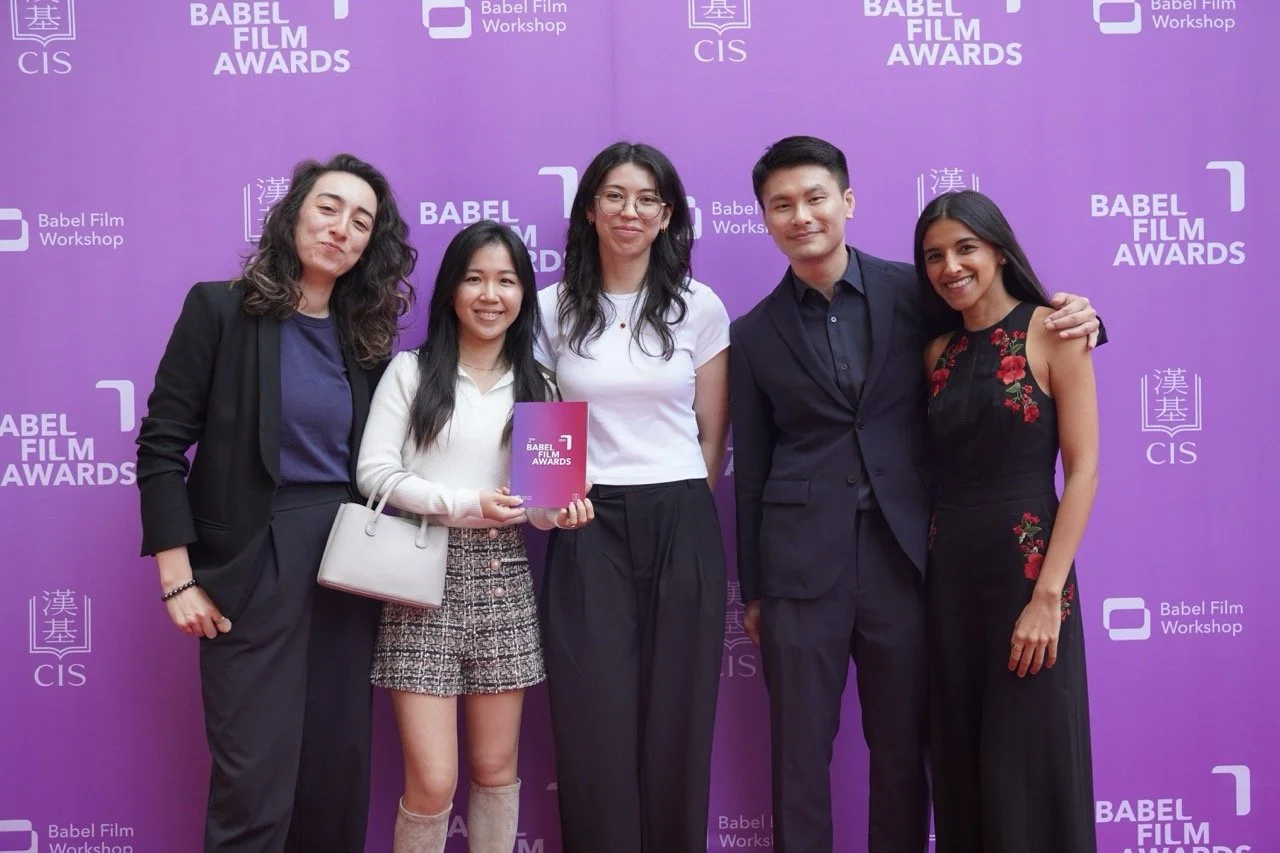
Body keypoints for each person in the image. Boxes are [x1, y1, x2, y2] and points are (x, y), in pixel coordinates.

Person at [728, 136, 1103, 853]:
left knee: (904, 751)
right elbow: (752, 469)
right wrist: (755, 589)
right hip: (800, 565)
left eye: (815, 197)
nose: (801, 215)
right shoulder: (750, 334)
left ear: (846, 201)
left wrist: (1086, 317)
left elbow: (998, 329)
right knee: (798, 757)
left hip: (905, 559)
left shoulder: (916, 290)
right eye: (782, 204)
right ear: (765, 218)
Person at [136, 153, 417, 853]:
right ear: (293, 213)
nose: (341, 229)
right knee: (253, 781)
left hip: (348, 566)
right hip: (250, 565)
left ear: (369, 247)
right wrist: (177, 576)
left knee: (334, 774)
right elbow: (162, 446)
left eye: (361, 222)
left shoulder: (367, 341)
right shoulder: (219, 309)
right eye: (329, 208)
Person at [355, 220, 593, 853]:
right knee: (434, 782)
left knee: (494, 771)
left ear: (524, 295)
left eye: (507, 281)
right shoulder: (412, 372)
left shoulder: (541, 385)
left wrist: (561, 510)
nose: (491, 295)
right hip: (418, 578)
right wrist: (464, 505)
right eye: (475, 279)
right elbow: (374, 473)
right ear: (452, 290)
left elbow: (538, 509)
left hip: (503, 580)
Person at [533, 141, 731, 853]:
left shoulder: (699, 307)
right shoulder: (550, 308)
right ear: (590, 209)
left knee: (680, 716)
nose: (630, 211)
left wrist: (678, 502)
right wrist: (554, 501)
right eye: (615, 196)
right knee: (592, 719)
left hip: (680, 515)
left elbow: (712, 434)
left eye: (648, 199)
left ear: (667, 215)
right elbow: (542, 428)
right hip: (586, 523)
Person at [917, 190, 1097, 852]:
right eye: (934, 255)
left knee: (1031, 757)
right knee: (961, 758)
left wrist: (1048, 596)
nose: (951, 266)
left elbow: (1083, 469)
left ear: (998, 250)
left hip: (1030, 573)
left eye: (965, 248)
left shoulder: (1053, 330)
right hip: (949, 576)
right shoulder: (936, 351)